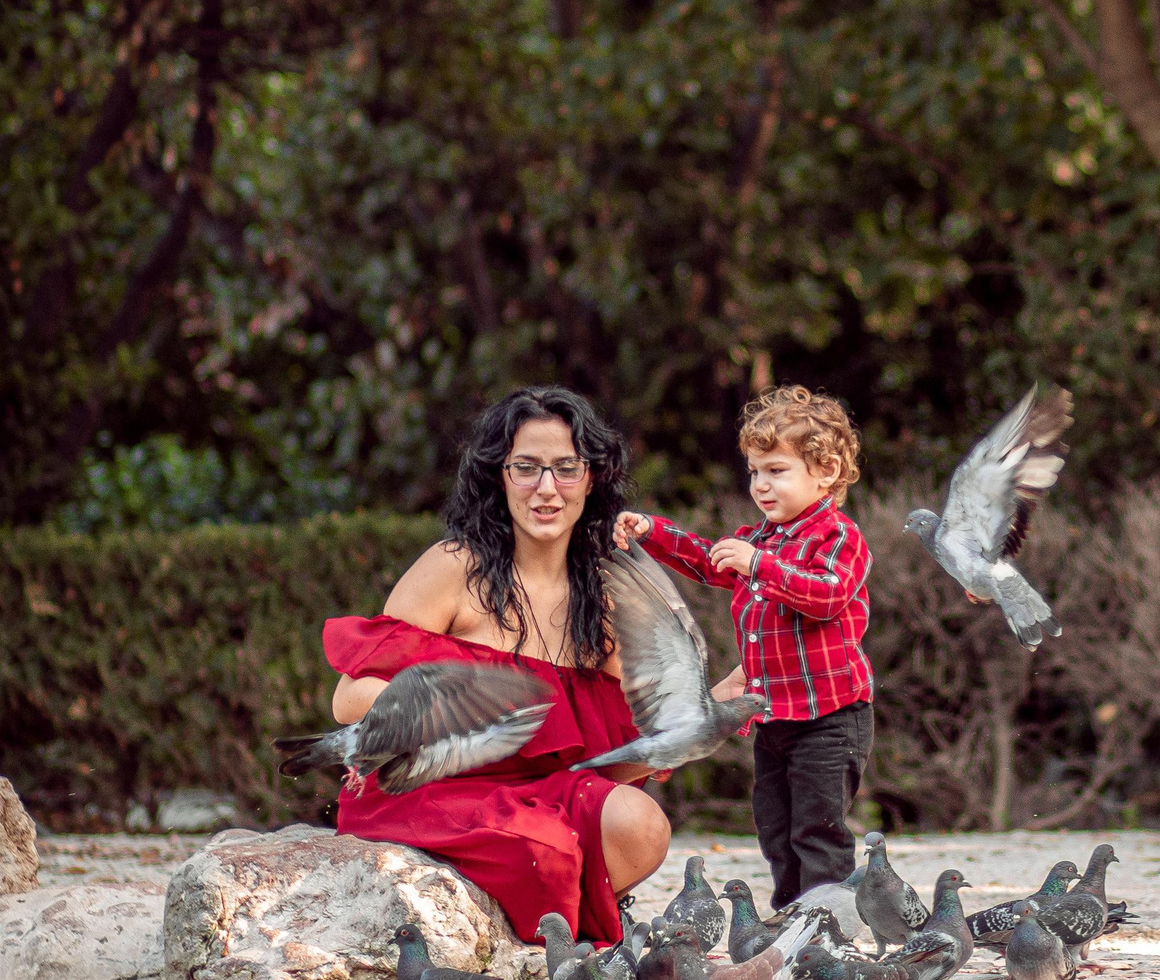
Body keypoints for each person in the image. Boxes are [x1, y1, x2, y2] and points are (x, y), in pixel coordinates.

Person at [317, 386, 670, 946]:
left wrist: (704, 723)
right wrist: (452, 707)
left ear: (592, 479)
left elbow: (610, 768)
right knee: (545, 847)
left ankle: (555, 919)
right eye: (525, 468)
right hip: (432, 789)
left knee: (642, 823)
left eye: (566, 468)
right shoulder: (455, 567)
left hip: (541, 794)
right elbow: (349, 699)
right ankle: (539, 930)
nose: (546, 488)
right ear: (498, 477)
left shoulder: (606, 600)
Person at [620, 386, 872, 911]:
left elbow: (827, 596)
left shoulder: (839, 537)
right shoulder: (761, 537)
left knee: (818, 829)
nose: (761, 484)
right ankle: (791, 915)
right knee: (775, 827)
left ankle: (826, 925)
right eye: (755, 471)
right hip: (773, 717)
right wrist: (652, 532)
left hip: (830, 717)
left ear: (825, 472)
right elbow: (707, 559)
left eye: (777, 470)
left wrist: (759, 565)